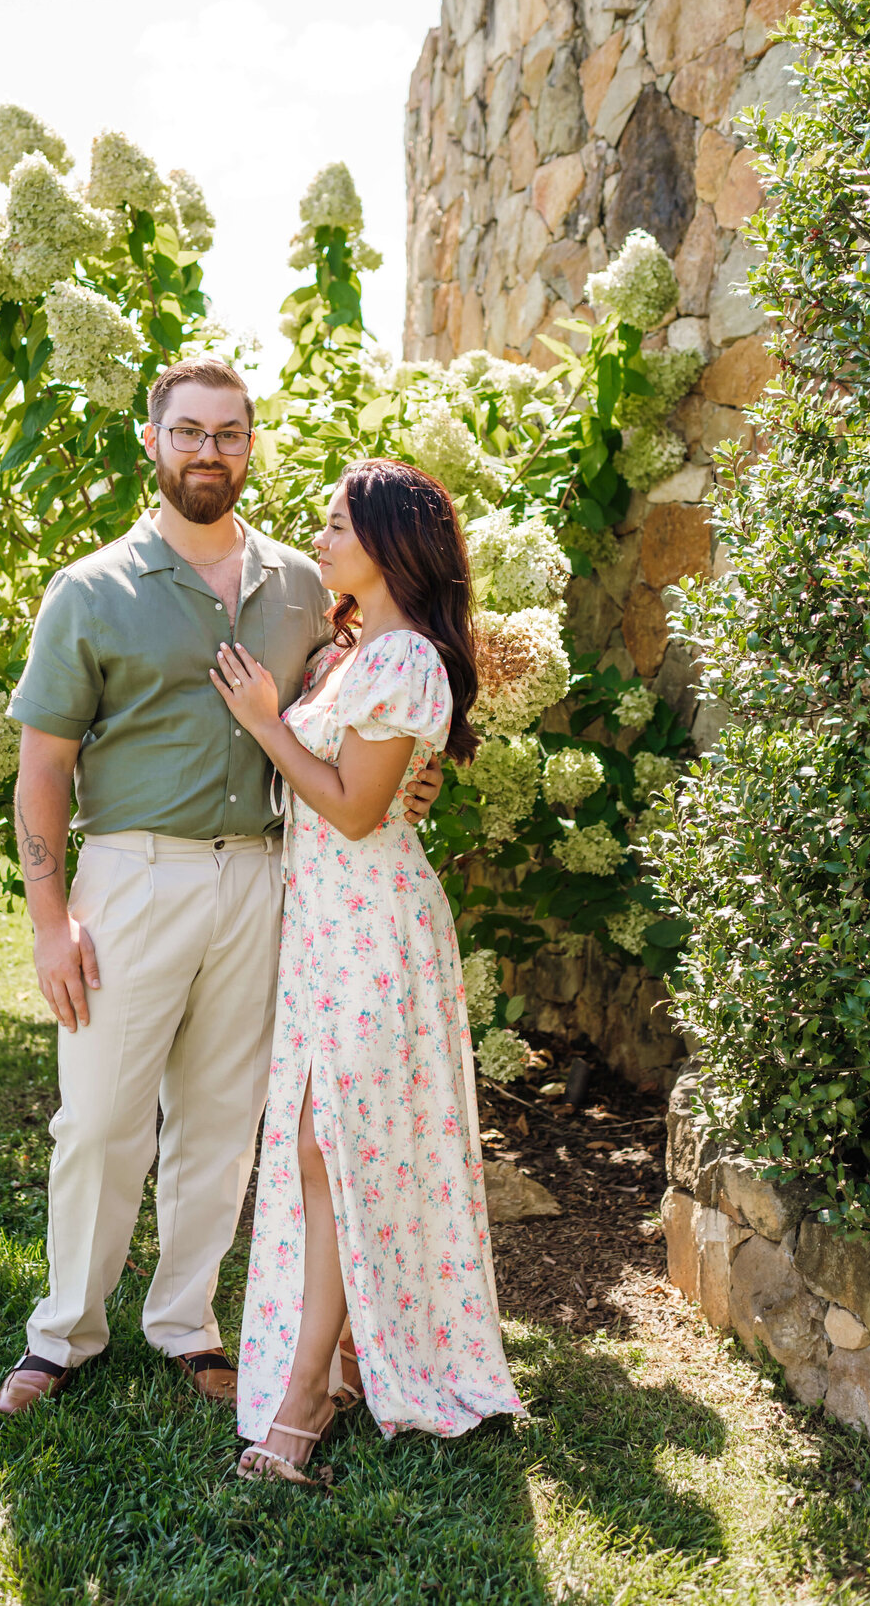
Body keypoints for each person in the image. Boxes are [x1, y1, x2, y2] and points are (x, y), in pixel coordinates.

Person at [0, 361, 443, 1415]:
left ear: (251, 446)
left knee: (221, 1116)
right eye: (188, 432)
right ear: (152, 442)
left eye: (229, 434)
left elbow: (377, 691)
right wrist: (50, 921)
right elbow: (42, 767)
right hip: (130, 877)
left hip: (266, 880)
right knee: (99, 1118)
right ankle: (64, 1333)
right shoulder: (91, 589)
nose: (209, 451)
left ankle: (186, 1322)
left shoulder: (303, 585)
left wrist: (418, 772)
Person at [211, 458, 524, 1482]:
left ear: (391, 544)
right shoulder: (353, 656)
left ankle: (307, 1398)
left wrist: (264, 720)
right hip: (325, 932)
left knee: (327, 1143)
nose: (324, 536)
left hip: (376, 928)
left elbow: (350, 807)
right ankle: (334, 1360)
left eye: (339, 523)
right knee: (320, 1148)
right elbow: (358, 790)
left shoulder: (410, 663)